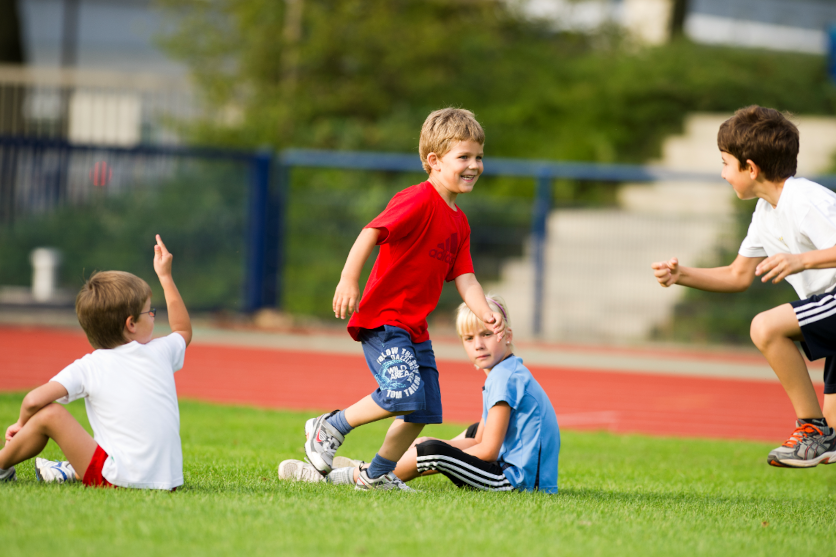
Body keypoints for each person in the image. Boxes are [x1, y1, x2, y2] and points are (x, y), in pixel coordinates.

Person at [296, 108, 504, 491]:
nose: (474, 165)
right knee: (401, 393)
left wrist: (485, 312)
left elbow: (466, 277)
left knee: (422, 409)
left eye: (479, 156)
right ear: (434, 161)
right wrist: (348, 278)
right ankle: (330, 427)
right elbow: (371, 232)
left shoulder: (459, 222)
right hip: (384, 319)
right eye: (464, 157)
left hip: (414, 329)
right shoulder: (418, 199)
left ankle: (376, 476)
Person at [651, 105, 836, 468]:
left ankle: (811, 429)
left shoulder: (805, 200)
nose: (722, 174)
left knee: (765, 327)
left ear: (750, 168)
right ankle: (822, 431)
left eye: (725, 163)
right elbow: (738, 275)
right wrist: (681, 275)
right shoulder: (766, 212)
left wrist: (802, 260)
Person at [283, 295, 561, 493]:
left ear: (507, 335)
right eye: (469, 338)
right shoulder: (506, 372)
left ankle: (359, 476)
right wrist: (434, 442)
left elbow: (488, 450)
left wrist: (436, 449)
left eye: (486, 334)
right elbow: (480, 438)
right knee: (456, 436)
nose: (478, 344)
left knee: (432, 452)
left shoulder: (504, 378)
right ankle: (373, 469)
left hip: (516, 482)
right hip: (514, 470)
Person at [0, 235, 192, 488]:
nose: (153, 316)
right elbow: (183, 330)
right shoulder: (161, 351)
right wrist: (165, 276)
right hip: (169, 481)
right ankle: (67, 470)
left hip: (117, 479)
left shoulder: (89, 366)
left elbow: (33, 400)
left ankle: (2, 465)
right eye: (150, 311)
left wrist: (21, 424)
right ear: (131, 323)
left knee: (50, 415)